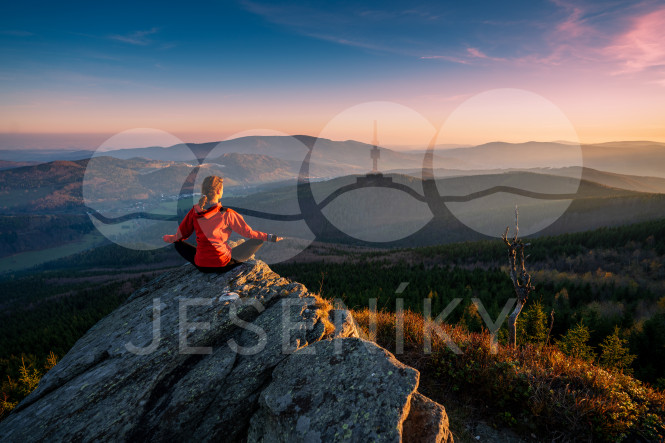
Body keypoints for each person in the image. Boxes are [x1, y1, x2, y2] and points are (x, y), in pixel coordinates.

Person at [163, 175, 282, 273]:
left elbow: (180, 235)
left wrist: (169, 238)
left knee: (178, 244)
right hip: (222, 265)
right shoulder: (227, 213)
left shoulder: (195, 211)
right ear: (219, 191)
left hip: (202, 266)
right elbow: (248, 233)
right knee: (258, 240)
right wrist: (269, 237)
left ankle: (205, 258)